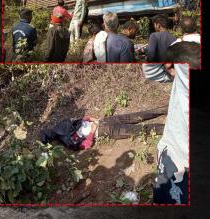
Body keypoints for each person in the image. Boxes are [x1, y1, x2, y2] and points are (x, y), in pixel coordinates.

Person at [142, 41, 196, 205]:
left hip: (176, 159)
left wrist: (176, 47)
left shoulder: (183, 75)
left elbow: (150, 69)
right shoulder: (184, 74)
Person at [41, 107, 167, 150]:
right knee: (136, 123)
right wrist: (93, 126)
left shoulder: (65, 133)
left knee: (137, 124)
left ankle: (166, 121)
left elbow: (85, 143)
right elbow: (85, 144)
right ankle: (165, 118)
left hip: (102, 126)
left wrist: (92, 123)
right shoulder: (64, 131)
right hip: (103, 127)